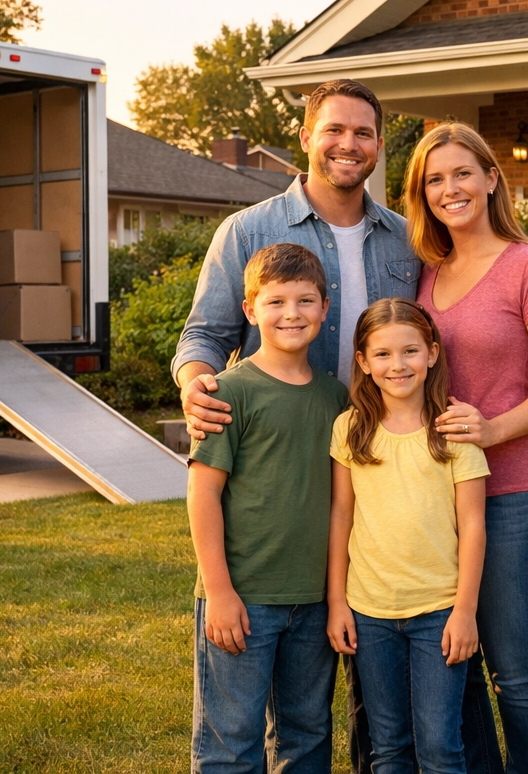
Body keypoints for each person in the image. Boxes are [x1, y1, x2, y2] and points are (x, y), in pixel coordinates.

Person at [174, 77, 416, 772]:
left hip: (372, 471)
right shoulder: (248, 231)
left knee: (340, 690)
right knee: (236, 735)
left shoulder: (405, 239)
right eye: (334, 129)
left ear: (378, 145)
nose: (348, 144)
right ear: (306, 137)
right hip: (266, 476)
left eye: (363, 132)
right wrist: (196, 385)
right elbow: (203, 333)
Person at [405, 122, 528, 774]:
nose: (450, 189)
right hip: (442, 496)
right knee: (459, 658)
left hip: (513, 493)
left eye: (462, 173)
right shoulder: (429, 272)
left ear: (490, 179)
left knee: (515, 668)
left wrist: (492, 431)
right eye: (435, 179)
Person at [187, 242, 350, 773]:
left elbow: (340, 503)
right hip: (244, 597)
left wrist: (335, 596)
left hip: (313, 599)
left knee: (307, 735)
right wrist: (219, 592)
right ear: (250, 310)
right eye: (276, 301)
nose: (291, 314)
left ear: (325, 308)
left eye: (305, 301)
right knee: (231, 744)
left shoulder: (335, 398)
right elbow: (203, 494)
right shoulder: (227, 392)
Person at [326, 299, 489, 774]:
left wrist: (465, 612)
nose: (397, 365)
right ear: (363, 361)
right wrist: (337, 602)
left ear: (432, 353)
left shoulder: (453, 430)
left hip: (439, 612)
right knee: (389, 747)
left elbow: (473, 525)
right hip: (369, 612)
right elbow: (341, 515)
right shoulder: (350, 429)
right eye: (382, 354)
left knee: (440, 747)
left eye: (410, 351)